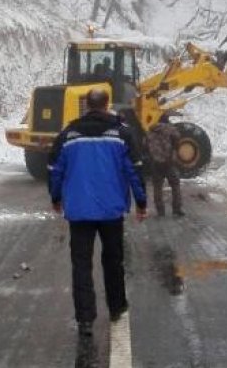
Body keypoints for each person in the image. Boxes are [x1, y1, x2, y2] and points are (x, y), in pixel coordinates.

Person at [48, 88, 147, 337]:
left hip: (79, 212)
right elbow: (134, 171)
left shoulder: (68, 135)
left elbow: (54, 168)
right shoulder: (122, 134)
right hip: (111, 211)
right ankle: (116, 307)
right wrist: (142, 202)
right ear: (107, 104)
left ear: (87, 105)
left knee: (81, 265)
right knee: (113, 261)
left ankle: (85, 319)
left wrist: (56, 197)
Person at [146, 113, 184, 217]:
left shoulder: (150, 130)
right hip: (169, 162)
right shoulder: (171, 129)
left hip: (155, 162)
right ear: (167, 120)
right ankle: (176, 209)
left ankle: (160, 211)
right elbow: (178, 140)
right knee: (175, 185)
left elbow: (145, 144)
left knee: (157, 187)